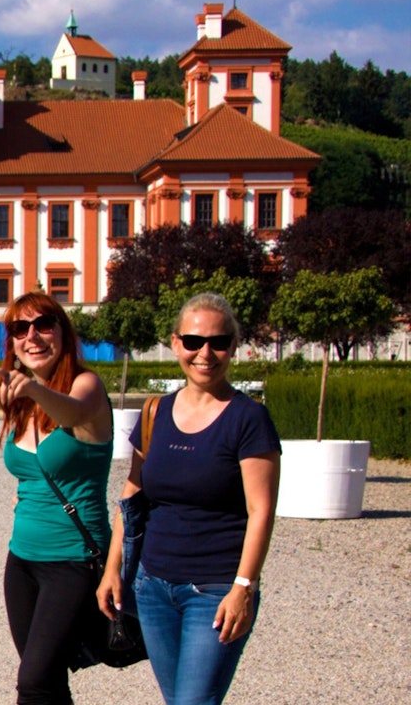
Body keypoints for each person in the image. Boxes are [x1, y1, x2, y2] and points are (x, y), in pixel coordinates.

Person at [97, 293, 281, 705]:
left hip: (216, 590)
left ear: (234, 345)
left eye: (218, 342)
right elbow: (132, 493)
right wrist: (113, 569)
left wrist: (243, 588)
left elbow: (261, 510)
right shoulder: (155, 412)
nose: (205, 353)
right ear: (176, 342)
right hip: (153, 587)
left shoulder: (248, 418)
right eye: (194, 341)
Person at [0, 292, 114, 704]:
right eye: (19, 329)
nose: (32, 336)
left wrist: (30, 389)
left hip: (74, 561)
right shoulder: (22, 405)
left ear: (63, 331)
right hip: (22, 560)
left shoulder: (86, 385)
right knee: (47, 682)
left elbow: (73, 414)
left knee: (33, 682)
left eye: (44, 324)